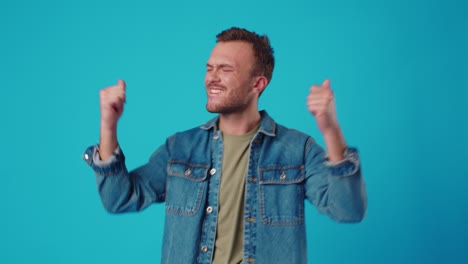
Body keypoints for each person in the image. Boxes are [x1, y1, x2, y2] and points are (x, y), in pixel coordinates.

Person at [83, 27, 367, 264]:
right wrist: (109, 124)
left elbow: (348, 211)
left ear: (258, 84)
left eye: (225, 69)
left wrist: (331, 130)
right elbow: (119, 198)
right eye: (209, 68)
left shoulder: (297, 150)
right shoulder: (180, 148)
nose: (212, 77)